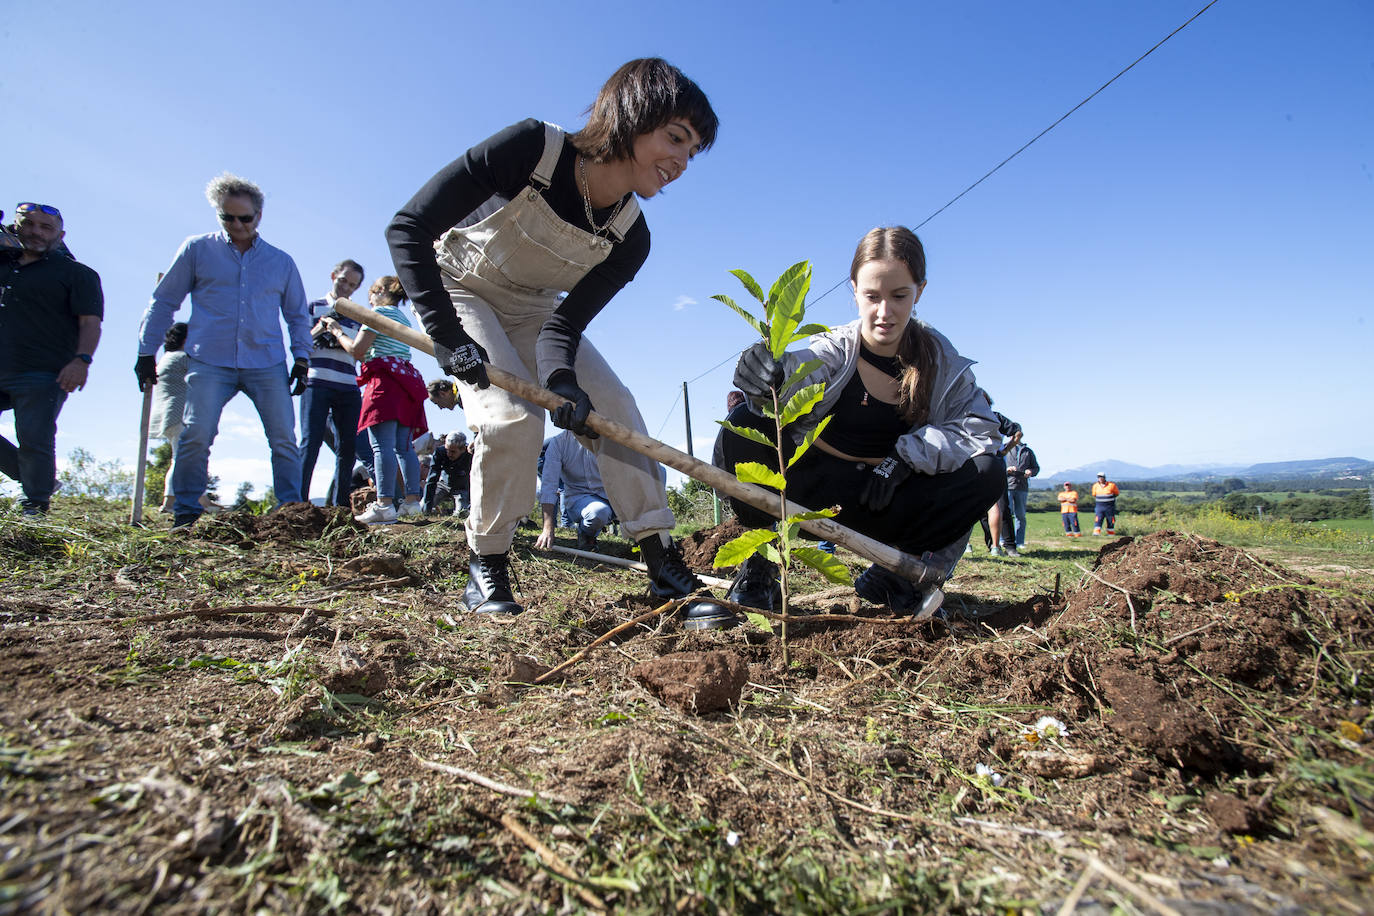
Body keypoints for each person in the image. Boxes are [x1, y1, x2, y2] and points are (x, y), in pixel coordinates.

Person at [386, 57, 729, 625]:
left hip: (535, 313)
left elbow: (563, 326)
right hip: (462, 291)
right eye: (675, 138)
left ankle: (663, 565)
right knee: (512, 420)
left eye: (692, 152)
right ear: (631, 113)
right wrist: (446, 336)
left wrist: (564, 380)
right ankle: (487, 562)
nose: (681, 162)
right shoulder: (531, 150)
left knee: (617, 412)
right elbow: (409, 228)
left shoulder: (630, 237)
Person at [716, 226, 1005, 619]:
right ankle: (760, 567)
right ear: (853, 290)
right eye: (872, 296)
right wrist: (769, 373)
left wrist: (904, 459)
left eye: (899, 296)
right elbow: (802, 368)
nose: (884, 312)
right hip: (810, 493)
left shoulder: (941, 364)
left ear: (919, 290)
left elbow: (980, 430)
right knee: (745, 423)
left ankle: (898, 578)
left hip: (885, 500)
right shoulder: (838, 349)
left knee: (988, 470)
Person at [135, 173, 312, 530]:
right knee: (195, 433)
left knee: (283, 438)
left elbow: (296, 315)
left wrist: (302, 357)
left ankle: (292, 513)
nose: (237, 225)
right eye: (227, 218)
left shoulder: (281, 262)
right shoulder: (197, 250)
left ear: (258, 216)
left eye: (244, 218)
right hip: (209, 360)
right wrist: (145, 351)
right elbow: (165, 300)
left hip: (266, 361)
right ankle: (185, 511)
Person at [0, 202, 104, 515]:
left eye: (46, 228)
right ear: (14, 228)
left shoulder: (77, 274)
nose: (36, 232)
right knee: (32, 446)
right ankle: (34, 479)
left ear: (61, 235)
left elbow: (90, 323)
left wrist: (82, 360)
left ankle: (34, 504)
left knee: (34, 436)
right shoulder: (3, 265)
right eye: (29, 225)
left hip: (44, 371)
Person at [318, 275, 428, 524]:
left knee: (381, 446)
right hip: (407, 381)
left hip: (385, 383)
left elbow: (358, 350)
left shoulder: (376, 315)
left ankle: (384, 504)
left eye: (370, 294)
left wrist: (337, 332)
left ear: (380, 292)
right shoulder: (401, 316)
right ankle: (412, 503)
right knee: (404, 446)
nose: (368, 300)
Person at [300, 259, 365, 506]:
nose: (346, 288)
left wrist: (339, 332)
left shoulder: (358, 316)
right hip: (316, 381)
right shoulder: (312, 307)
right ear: (333, 276)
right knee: (311, 441)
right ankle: (299, 501)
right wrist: (320, 329)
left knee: (347, 447)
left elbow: (360, 350)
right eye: (343, 281)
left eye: (352, 285)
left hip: (348, 384)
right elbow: (299, 343)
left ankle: (339, 506)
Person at [536, 429, 616, 552]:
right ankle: (586, 535)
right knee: (598, 513)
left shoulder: (610, 440)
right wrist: (547, 528)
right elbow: (549, 486)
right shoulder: (559, 443)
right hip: (579, 498)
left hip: (613, 496)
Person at [1003, 436, 1039, 551]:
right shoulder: (1003, 449)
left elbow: (1036, 468)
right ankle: (1003, 540)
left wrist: (1031, 471)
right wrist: (1007, 469)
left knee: (1021, 516)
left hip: (1022, 487)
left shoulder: (1028, 451)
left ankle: (1019, 542)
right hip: (1007, 485)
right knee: (1005, 514)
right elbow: (996, 465)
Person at [424, 432, 473, 516]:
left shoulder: (470, 456)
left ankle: (448, 512)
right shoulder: (440, 452)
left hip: (461, 488)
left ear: (463, 449)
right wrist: (427, 507)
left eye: (453, 452)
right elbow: (432, 479)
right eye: (447, 450)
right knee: (423, 507)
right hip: (442, 485)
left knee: (461, 514)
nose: (449, 454)